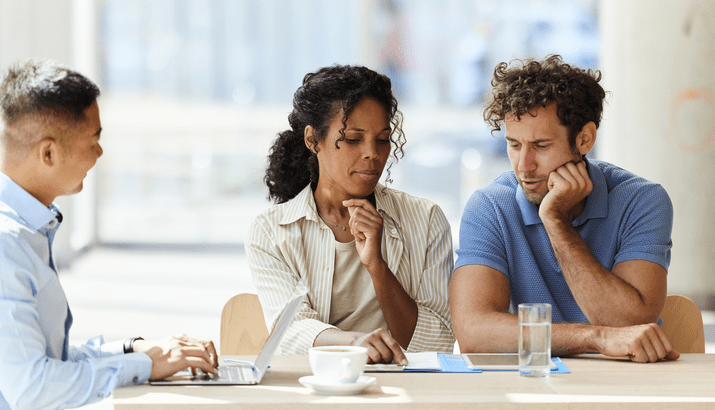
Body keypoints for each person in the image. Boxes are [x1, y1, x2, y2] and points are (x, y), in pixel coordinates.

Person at [0, 59, 218, 410]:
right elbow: (34, 389)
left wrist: (135, 350)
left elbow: (50, 359)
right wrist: (146, 365)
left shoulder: (11, 228)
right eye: (93, 140)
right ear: (48, 153)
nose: (99, 153)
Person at [450, 55, 679, 363]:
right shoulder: (489, 207)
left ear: (584, 139)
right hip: (535, 381)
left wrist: (555, 221)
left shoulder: (643, 201)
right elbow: (474, 332)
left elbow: (629, 326)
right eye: (514, 145)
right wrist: (593, 337)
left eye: (541, 146)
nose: (524, 166)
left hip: (628, 379)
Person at [246, 65, 455, 364]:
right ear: (313, 140)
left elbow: (438, 341)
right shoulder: (272, 232)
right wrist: (356, 343)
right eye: (354, 139)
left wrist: (377, 265)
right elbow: (290, 332)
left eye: (382, 139)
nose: (373, 153)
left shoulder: (426, 220)